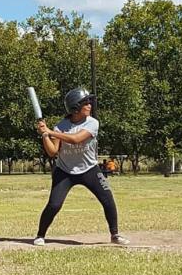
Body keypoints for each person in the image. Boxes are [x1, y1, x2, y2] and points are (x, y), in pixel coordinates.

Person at [34, 87, 129, 246]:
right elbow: (52, 152)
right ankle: (40, 235)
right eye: (86, 103)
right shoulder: (61, 126)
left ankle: (115, 235)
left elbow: (76, 139)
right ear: (75, 108)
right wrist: (45, 135)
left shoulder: (92, 123)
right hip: (64, 171)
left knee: (107, 199)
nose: (90, 105)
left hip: (90, 169)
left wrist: (51, 131)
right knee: (54, 204)